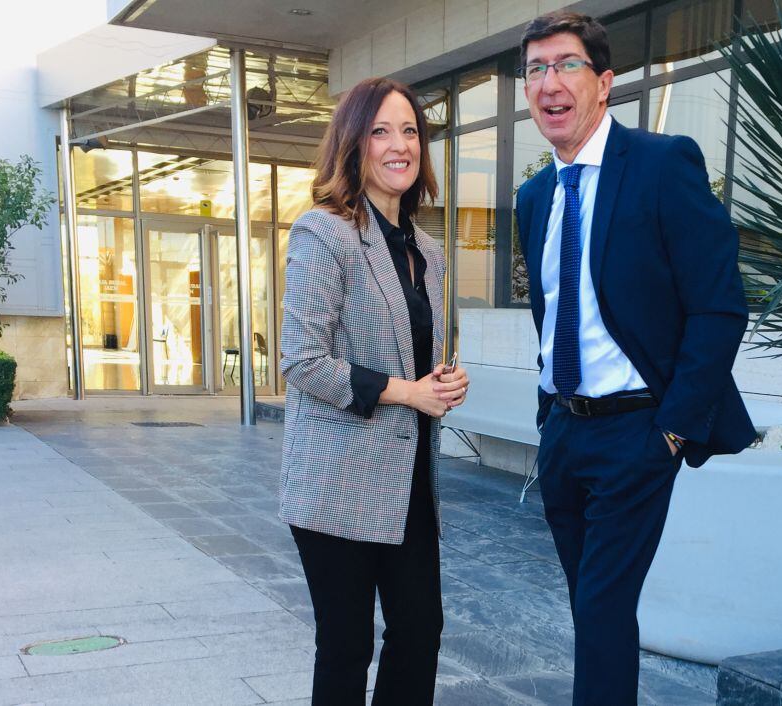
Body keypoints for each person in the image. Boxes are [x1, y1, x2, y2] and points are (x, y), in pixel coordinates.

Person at [514, 12, 757, 706]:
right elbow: (554, 313)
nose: (548, 84)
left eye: (565, 65)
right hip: (564, 432)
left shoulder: (660, 164)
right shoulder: (535, 197)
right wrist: (547, 417)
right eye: (535, 70)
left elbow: (718, 307)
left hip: (638, 433)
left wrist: (672, 431)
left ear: (604, 83)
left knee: (599, 607)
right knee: (597, 611)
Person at [279, 77, 469, 706]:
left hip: (408, 484)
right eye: (381, 130)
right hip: (336, 483)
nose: (399, 145)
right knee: (346, 646)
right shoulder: (325, 232)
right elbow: (301, 362)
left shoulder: (428, 251)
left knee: (420, 633)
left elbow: (417, 358)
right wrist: (407, 393)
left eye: (410, 131)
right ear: (353, 143)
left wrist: (442, 383)